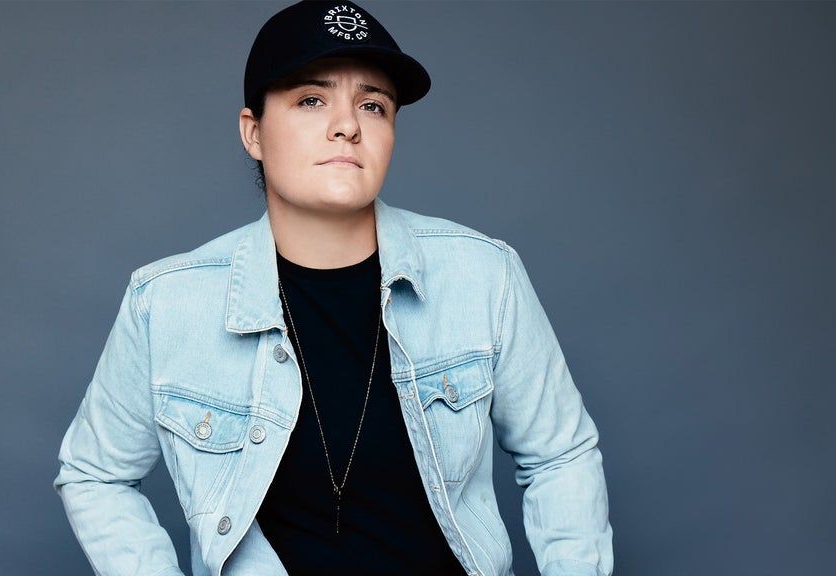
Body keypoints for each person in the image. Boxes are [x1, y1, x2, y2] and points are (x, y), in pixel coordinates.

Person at [52, 2, 613, 575]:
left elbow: (560, 455)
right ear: (254, 133)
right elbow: (95, 475)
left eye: (373, 105)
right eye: (311, 100)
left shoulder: (485, 276)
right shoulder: (167, 303)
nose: (348, 125)